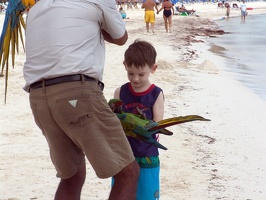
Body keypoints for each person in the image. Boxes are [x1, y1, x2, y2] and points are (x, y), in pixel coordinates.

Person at [23, 0, 140, 199]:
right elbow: (121, 38)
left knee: (72, 176)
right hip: (76, 92)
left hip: (39, 99)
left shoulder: (37, 8)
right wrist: (98, 24)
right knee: (127, 173)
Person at [112, 40, 164, 200]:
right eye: (130, 73)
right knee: (122, 193)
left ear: (153, 69)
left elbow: (158, 125)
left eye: (141, 74)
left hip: (147, 154)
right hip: (123, 154)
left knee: (147, 195)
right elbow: (114, 122)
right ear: (125, 65)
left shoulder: (156, 94)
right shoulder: (120, 92)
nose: (135, 79)